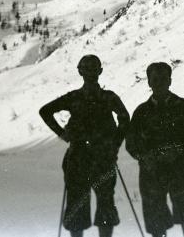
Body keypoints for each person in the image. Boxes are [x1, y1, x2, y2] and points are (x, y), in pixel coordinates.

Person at [40, 54, 131, 237]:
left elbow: (125, 119)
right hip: (90, 158)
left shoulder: (79, 97)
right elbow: (45, 111)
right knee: (87, 205)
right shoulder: (105, 97)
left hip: (85, 158)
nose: (90, 72)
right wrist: (113, 145)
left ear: (99, 71)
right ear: (81, 72)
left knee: (97, 205)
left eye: (93, 68)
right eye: (87, 69)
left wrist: (114, 145)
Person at [126, 62, 184, 237]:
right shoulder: (141, 112)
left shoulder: (183, 106)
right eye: (155, 79)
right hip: (151, 174)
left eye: (163, 79)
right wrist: (146, 157)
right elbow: (131, 143)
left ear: (170, 81)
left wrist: (176, 152)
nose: (159, 83)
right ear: (149, 82)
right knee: (155, 221)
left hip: (179, 170)